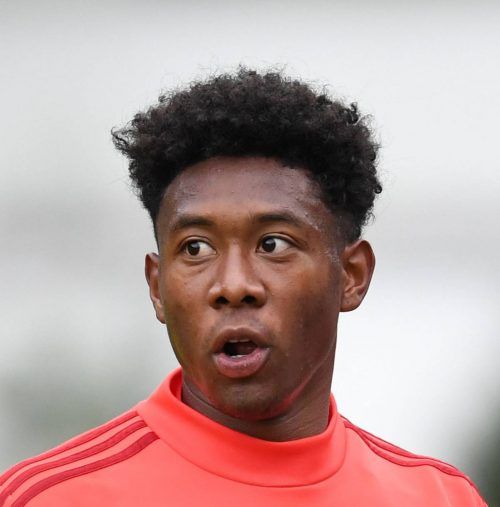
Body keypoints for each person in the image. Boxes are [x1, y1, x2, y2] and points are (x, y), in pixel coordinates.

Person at [0, 69, 486, 506]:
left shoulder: (441, 497)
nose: (233, 286)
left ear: (352, 275)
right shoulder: (48, 497)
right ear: (157, 287)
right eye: (195, 248)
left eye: (273, 244)